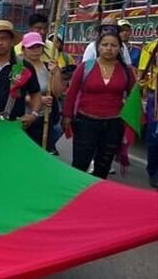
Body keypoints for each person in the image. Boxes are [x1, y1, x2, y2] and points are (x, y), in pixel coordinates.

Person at [62, 31, 136, 178]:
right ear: (98, 47)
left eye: (113, 45)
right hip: (86, 123)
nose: (109, 48)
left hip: (114, 125)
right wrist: (67, 116)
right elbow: (71, 93)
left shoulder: (126, 71)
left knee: (103, 166)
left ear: (120, 49)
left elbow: (133, 97)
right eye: (105, 45)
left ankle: (96, 196)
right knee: (80, 164)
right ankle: (75, 195)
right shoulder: (85, 67)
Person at [19, 32, 64, 152]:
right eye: (31, 47)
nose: (35, 50)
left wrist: (56, 72)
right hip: (24, 118)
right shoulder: (18, 67)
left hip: (44, 119)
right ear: (24, 49)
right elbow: (13, 94)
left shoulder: (47, 67)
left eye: (38, 47)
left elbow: (58, 93)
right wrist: (38, 100)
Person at [138, 38, 158, 187]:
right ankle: (153, 172)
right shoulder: (151, 47)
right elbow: (141, 73)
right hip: (155, 96)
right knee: (155, 136)